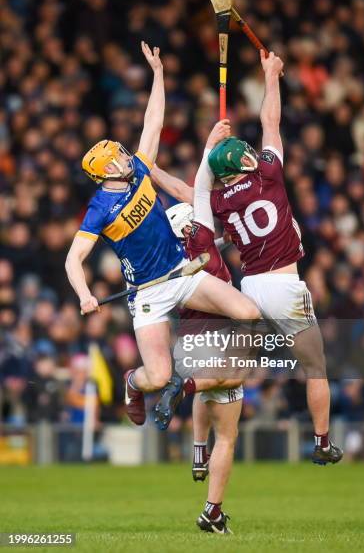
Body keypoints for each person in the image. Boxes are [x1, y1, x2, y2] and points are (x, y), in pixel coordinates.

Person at [65, 42, 260, 428]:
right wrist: (85, 295)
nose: (124, 156)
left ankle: (213, 373)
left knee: (250, 312)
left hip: (182, 272)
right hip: (148, 293)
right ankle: (131, 384)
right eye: (116, 158)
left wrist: (158, 74)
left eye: (121, 154)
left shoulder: (139, 170)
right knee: (155, 376)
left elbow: (153, 122)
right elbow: (73, 259)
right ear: (106, 173)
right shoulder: (98, 211)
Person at [193, 50, 343, 466]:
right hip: (284, 285)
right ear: (244, 160)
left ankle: (197, 437)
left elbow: (196, 190)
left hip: (248, 289)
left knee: (230, 374)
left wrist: (208, 151)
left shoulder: (218, 199)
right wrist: (271, 75)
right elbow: (270, 122)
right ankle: (321, 441)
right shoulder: (269, 175)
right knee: (316, 366)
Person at [159, 198, 242, 534]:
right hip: (217, 338)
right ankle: (213, 512)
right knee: (227, 435)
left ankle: (197, 450)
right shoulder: (203, 247)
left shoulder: (171, 262)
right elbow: (211, 244)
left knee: (207, 392)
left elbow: (215, 245)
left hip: (187, 343)